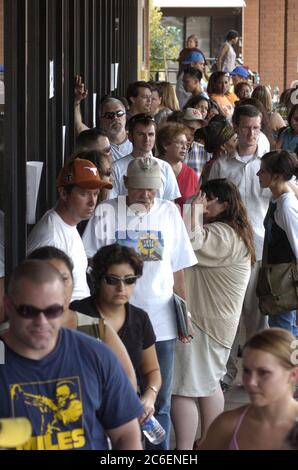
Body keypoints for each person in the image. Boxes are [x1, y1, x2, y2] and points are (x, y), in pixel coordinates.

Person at [83, 157, 197, 449]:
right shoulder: (107, 211)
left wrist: (184, 313)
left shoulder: (169, 211)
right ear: (126, 184)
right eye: (140, 189)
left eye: (152, 189)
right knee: (114, 401)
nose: (146, 196)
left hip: (161, 322)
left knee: (159, 403)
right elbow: (90, 264)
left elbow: (178, 268)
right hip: (116, 323)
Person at [0, 260, 143, 450]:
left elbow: (126, 434)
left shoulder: (94, 354)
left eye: (52, 311)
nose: (41, 321)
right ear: (8, 306)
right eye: (28, 311)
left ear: (65, 306)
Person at [171, 179, 254, 450]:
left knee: (181, 389)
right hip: (215, 324)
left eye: (207, 198)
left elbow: (186, 241)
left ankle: (183, 451)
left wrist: (193, 210)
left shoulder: (223, 234)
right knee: (208, 384)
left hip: (205, 324)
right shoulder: (234, 232)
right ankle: (210, 443)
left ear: (224, 204)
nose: (201, 201)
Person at [209, 105, 271, 390]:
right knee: (229, 312)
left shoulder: (267, 163)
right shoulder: (222, 165)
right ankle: (226, 372)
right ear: (236, 127)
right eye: (246, 127)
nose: (251, 133)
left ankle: (258, 373)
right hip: (228, 248)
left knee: (257, 314)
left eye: (256, 128)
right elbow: (208, 204)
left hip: (258, 245)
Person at [71, 244, 162, 427]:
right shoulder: (76, 314)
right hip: (82, 411)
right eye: (112, 280)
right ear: (97, 280)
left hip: (126, 410)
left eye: (129, 280)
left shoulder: (140, 319)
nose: (121, 287)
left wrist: (150, 395)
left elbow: (152, 371)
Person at [27, 246, 137, 390]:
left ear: (73, 282)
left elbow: (127, 384)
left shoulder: (97, 330)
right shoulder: (6, 336)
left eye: (64, 279)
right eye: (47, 278)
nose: (56, 286)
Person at [198, 328, 298, 450]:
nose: (250, 382)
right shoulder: (228, 425)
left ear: (292, 375)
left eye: (263, 373)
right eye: (246, 371)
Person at [27, 159, 111, 301]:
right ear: (64, 194)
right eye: (84, 194)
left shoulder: (69, 224)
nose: (92, 202)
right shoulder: (51, 238)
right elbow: (41, 297)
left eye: (95, 194)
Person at [256, 150, 298, 336]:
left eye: (263, 171)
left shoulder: (287, 206)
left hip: (285, 285)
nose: (258, 174)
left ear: (278, 176)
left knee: (283, 338)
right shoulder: (276, 199)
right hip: (277, 282)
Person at [109, 113, 180, 201]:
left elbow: (169, 205)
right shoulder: (116, 168)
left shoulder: (165, 167)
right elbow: (111, 202)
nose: (146, 139)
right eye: (141, 134)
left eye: (151, 134)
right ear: (130, 137)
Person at [74, 76, 133, 162]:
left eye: (119, 113)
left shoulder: (136, 139)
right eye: (109, 115)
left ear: (126, 116)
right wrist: (76, 102)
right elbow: (78, 127)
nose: (115, 118)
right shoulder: (97, 141)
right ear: (101, 119)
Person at [156, 122, 199, 213]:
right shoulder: (152, 168)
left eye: (187, 144)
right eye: (180, 143)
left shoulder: (191, 174)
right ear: (165, 145)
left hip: (184, 226)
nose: (185, 148)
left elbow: (197, 209)